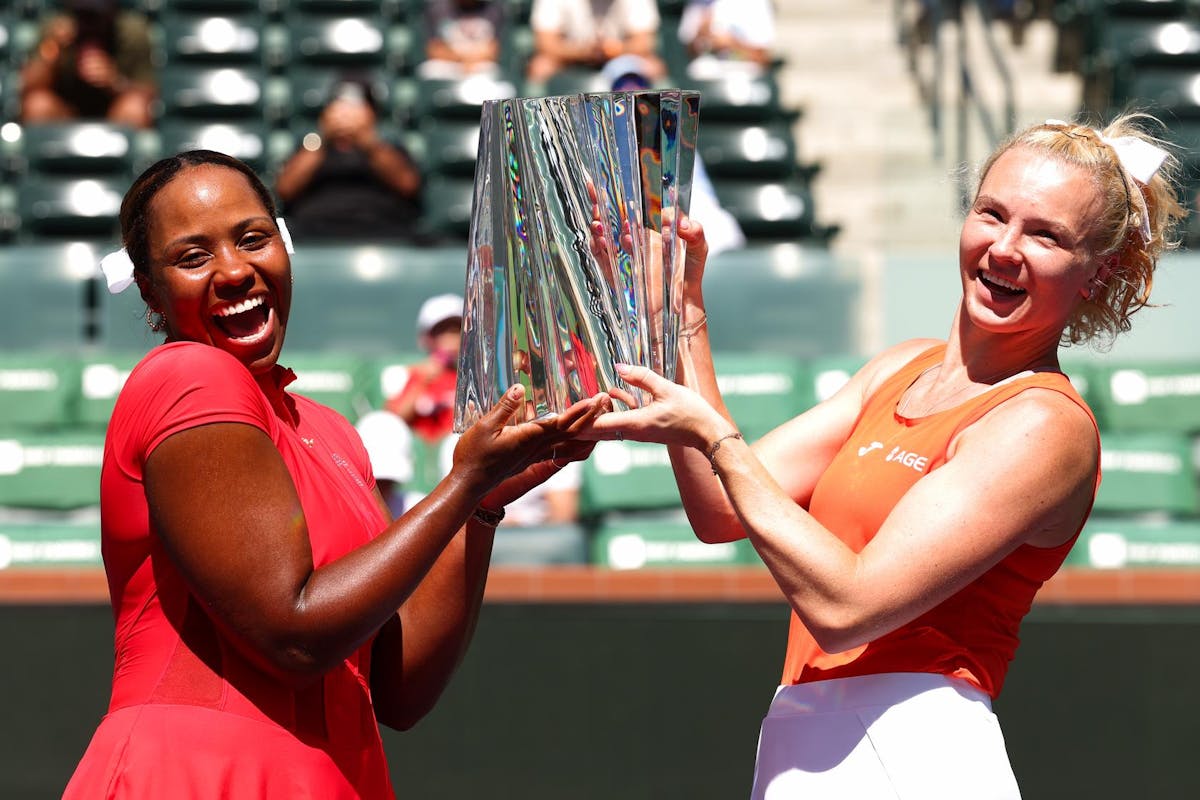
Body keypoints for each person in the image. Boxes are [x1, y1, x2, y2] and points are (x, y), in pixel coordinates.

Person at [581, 114, 1184, 797]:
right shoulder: (899, 366)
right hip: (803, 737)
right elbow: (722, 507)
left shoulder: (1044, 423)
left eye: (1045, 235)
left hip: (914, 750)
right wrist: (678, 311)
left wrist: (715, 436)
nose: (1006, 248)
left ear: (1096, 275)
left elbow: (847, 609)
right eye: (993, 214)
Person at [65, 150, 608, 797]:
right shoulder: (186, 375)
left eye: (252, 238)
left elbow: (397, 690)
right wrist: (459, 484)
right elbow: (293, 634)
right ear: (151, 290)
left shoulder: (333, 432)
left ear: (285, 245)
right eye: (193, 256)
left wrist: (480, 506)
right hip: (195, 777)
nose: (234, 270)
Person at [603, 54, 746, 258]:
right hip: (633, 235)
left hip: (686, 223)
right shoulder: (602, 144)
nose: (631, 91)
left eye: (638, 84)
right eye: (622, 86)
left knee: (721, 228)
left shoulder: (676, 137)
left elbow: (699, 198)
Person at [275, 76, 423, 243]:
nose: (346, 114)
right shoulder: (311, 145)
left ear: (372, 112)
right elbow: (285, 189)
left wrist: (368, 142)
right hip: (315, 228)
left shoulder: (388, 146)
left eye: (356, 107)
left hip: (381, 227)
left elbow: (408, 185)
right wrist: (324, 138)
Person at [18, 0, 156, 129]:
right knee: (38, 105)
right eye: (82, 16)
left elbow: (149, 92)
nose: (88, 24)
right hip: (65, 113)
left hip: (114, 113)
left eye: (95, 17)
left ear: (112, 13)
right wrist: (52, 50)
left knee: (135, 108)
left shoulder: (132, 33)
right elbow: (27, 86)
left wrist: (114, 81)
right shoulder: (54, 29)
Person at [525, 0, 666, 91]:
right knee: (540, 67)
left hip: (619, 59)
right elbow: (545, 42)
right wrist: (582, 51)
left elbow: (645, 42)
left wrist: (616, 49)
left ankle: (648, 125)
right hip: (570, 59)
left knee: (653, 67)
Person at [385, 293, 464, 444]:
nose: (451, 340)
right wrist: (423, 381)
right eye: (442, 332)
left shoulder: (473, 380)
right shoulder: (413, 374)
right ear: (427, 338)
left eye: (456, 331)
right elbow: (392, 423)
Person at [677, 0, 776, 80]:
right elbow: (687, 50)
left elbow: (763, 58)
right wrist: (700, 34)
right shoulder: (699, 3)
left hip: (746, 81)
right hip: (705, 81)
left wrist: (732, 44)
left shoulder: (757, 3)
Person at [419, 0, 505, 80]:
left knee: (492, 71)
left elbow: (492, 50)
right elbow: (434, 49)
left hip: (478, 68)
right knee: (428, 70)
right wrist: (464, 61)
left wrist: (469, 62)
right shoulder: (438, 9)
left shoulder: (492, 10)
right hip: (448, 66)